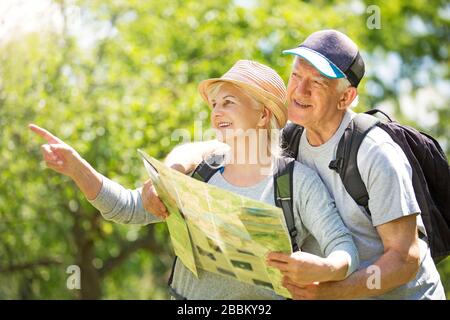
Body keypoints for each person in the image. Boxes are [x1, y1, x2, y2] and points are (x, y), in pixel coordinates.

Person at [30, 59, 359, 300]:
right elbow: (127, 208)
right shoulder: (198, 172)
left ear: (263, 115)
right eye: (214, 104)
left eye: (228, 102)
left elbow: (343, 248)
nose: (216, 112)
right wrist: (77, 168)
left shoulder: (297, 183)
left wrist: (325, 269)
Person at [165, 30, 447, 300]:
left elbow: (404, 258)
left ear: (346, 97)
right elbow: (226, 146)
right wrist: (174, 168)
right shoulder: (293, 137)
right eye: (296, 76)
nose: (299, 91)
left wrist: (331, 292)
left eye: (317, 83)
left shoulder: (375, 153)